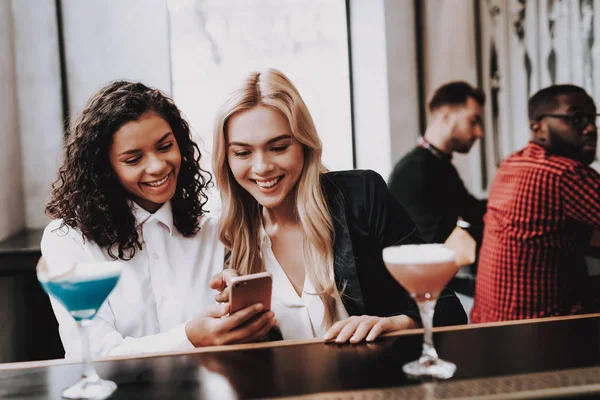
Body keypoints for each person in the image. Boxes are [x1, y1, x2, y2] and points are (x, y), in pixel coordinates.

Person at [210, 68, 467, 344]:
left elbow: (447, 308)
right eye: (243, 152)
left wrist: (394, 323)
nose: (261, 167)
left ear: (304, 145)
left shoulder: (363, 196)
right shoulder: (233, 237)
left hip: (378, 384)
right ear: (227, 159)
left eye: (279, 147)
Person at [42, 81, 275, 358]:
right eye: (133, 159)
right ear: (105, 169)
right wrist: (190, 338)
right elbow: (92, 352)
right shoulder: (68, 240)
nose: (157, 166)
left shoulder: (215, 224)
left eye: (165, 147)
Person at [471, 84, 600, 323]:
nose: (591, 128)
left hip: (487, 325)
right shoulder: (565, 174)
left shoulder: (512, 163)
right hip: (542, 332)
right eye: (576, 118)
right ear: (537, 128)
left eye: (593, 118)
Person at [387, 81, 487, 247]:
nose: (479, 133)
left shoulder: (438, 164)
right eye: (473, 121)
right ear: (446, 117)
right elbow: (434, 244)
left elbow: (472, 211)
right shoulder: (415, 170)